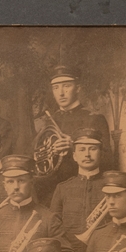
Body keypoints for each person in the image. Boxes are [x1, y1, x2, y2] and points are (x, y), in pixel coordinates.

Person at [32, 65, 112, 205]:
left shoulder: (94, 118)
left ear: (78, 88)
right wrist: (51, 153)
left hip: (83, 192)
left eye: (66, 86)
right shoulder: (49, 122)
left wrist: (75, 147)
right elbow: (39, 162)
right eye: (56, 87)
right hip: (52, 194)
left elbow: (109, 161)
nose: (61, 93)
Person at [48, 127, 108, 252]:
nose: (87, 154)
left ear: (101, 154)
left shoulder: (110, 186)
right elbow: (54, 226)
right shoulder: (63, 188)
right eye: (81, 150)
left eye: (92, 149)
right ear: (74, 156)